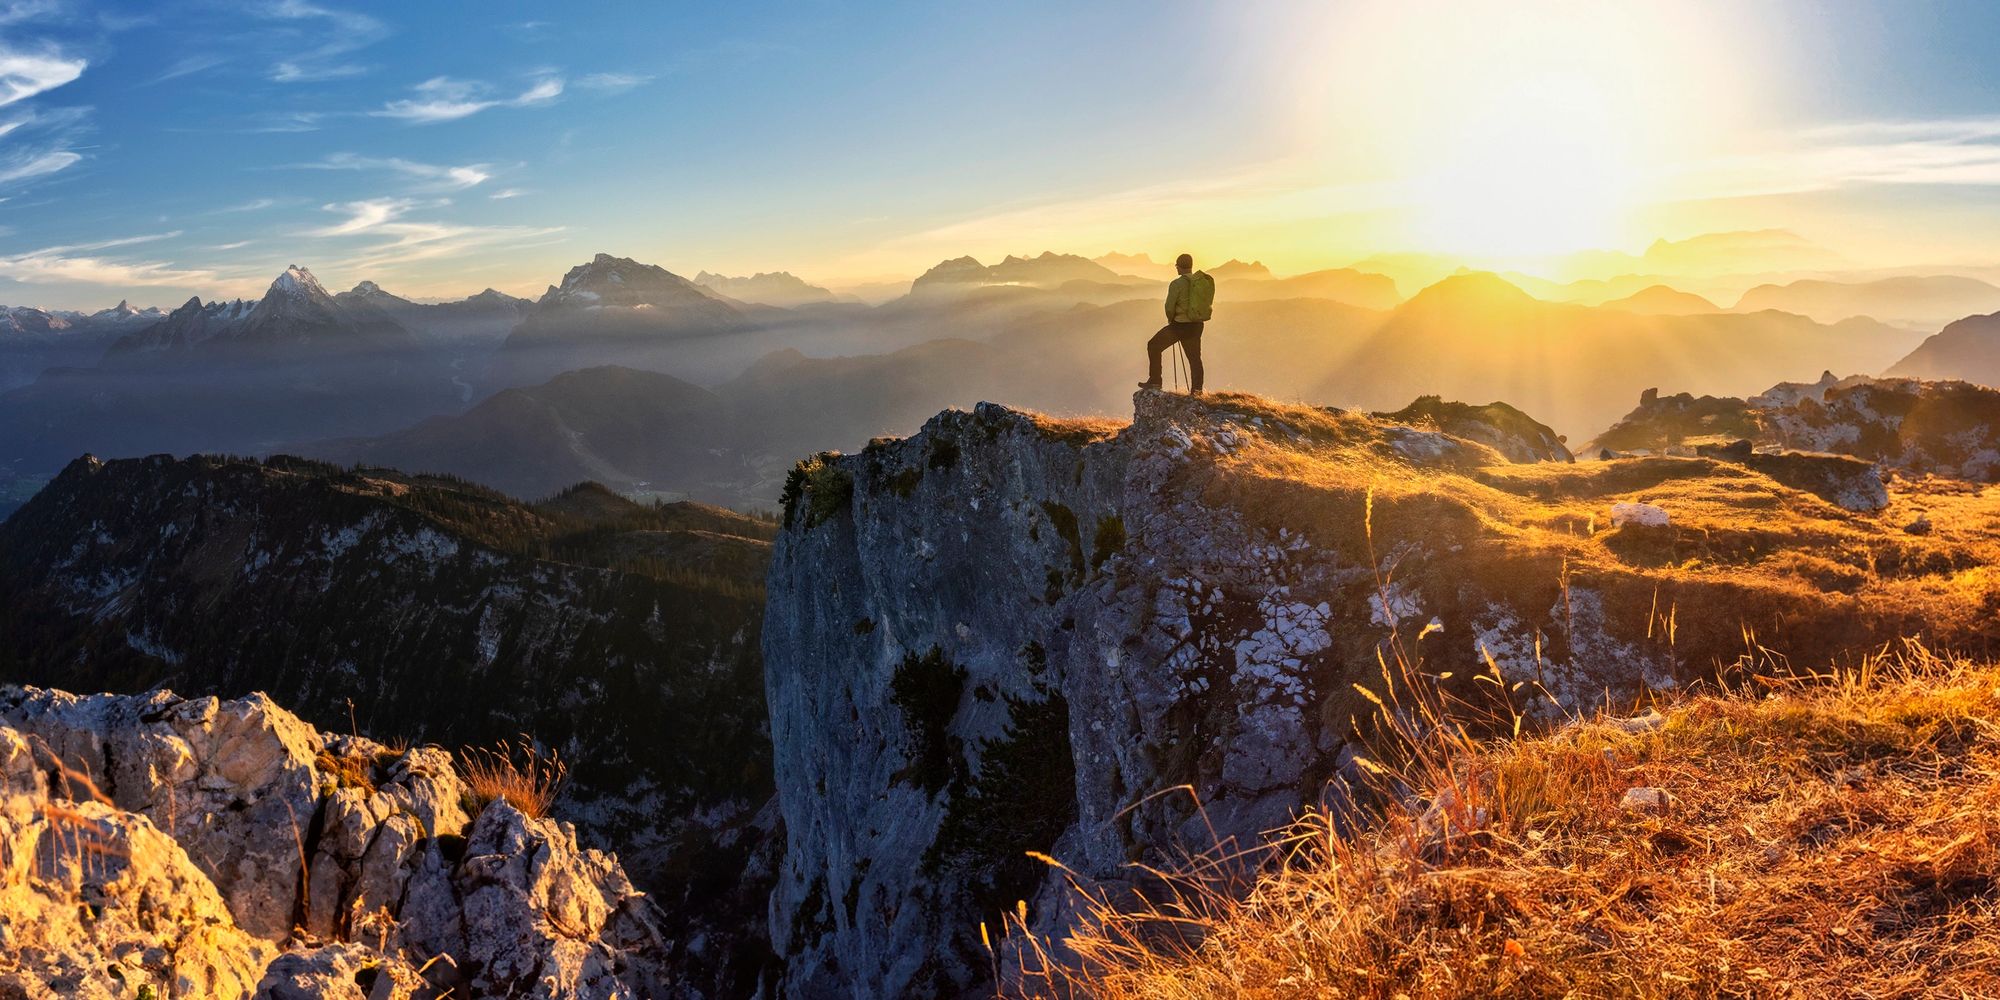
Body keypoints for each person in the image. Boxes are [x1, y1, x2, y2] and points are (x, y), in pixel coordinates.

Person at [1139, 253, 1214, 395]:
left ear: (1178, 267)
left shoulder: (1176, 284)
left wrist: (1170, 318)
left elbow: (1169, 307)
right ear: (1191, 266)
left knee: (1153, 345)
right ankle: (1197, 390)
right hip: (1197, 325)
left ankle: (1155, 381)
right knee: (1194, 359)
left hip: (1179, 326)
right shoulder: (1199, 282)